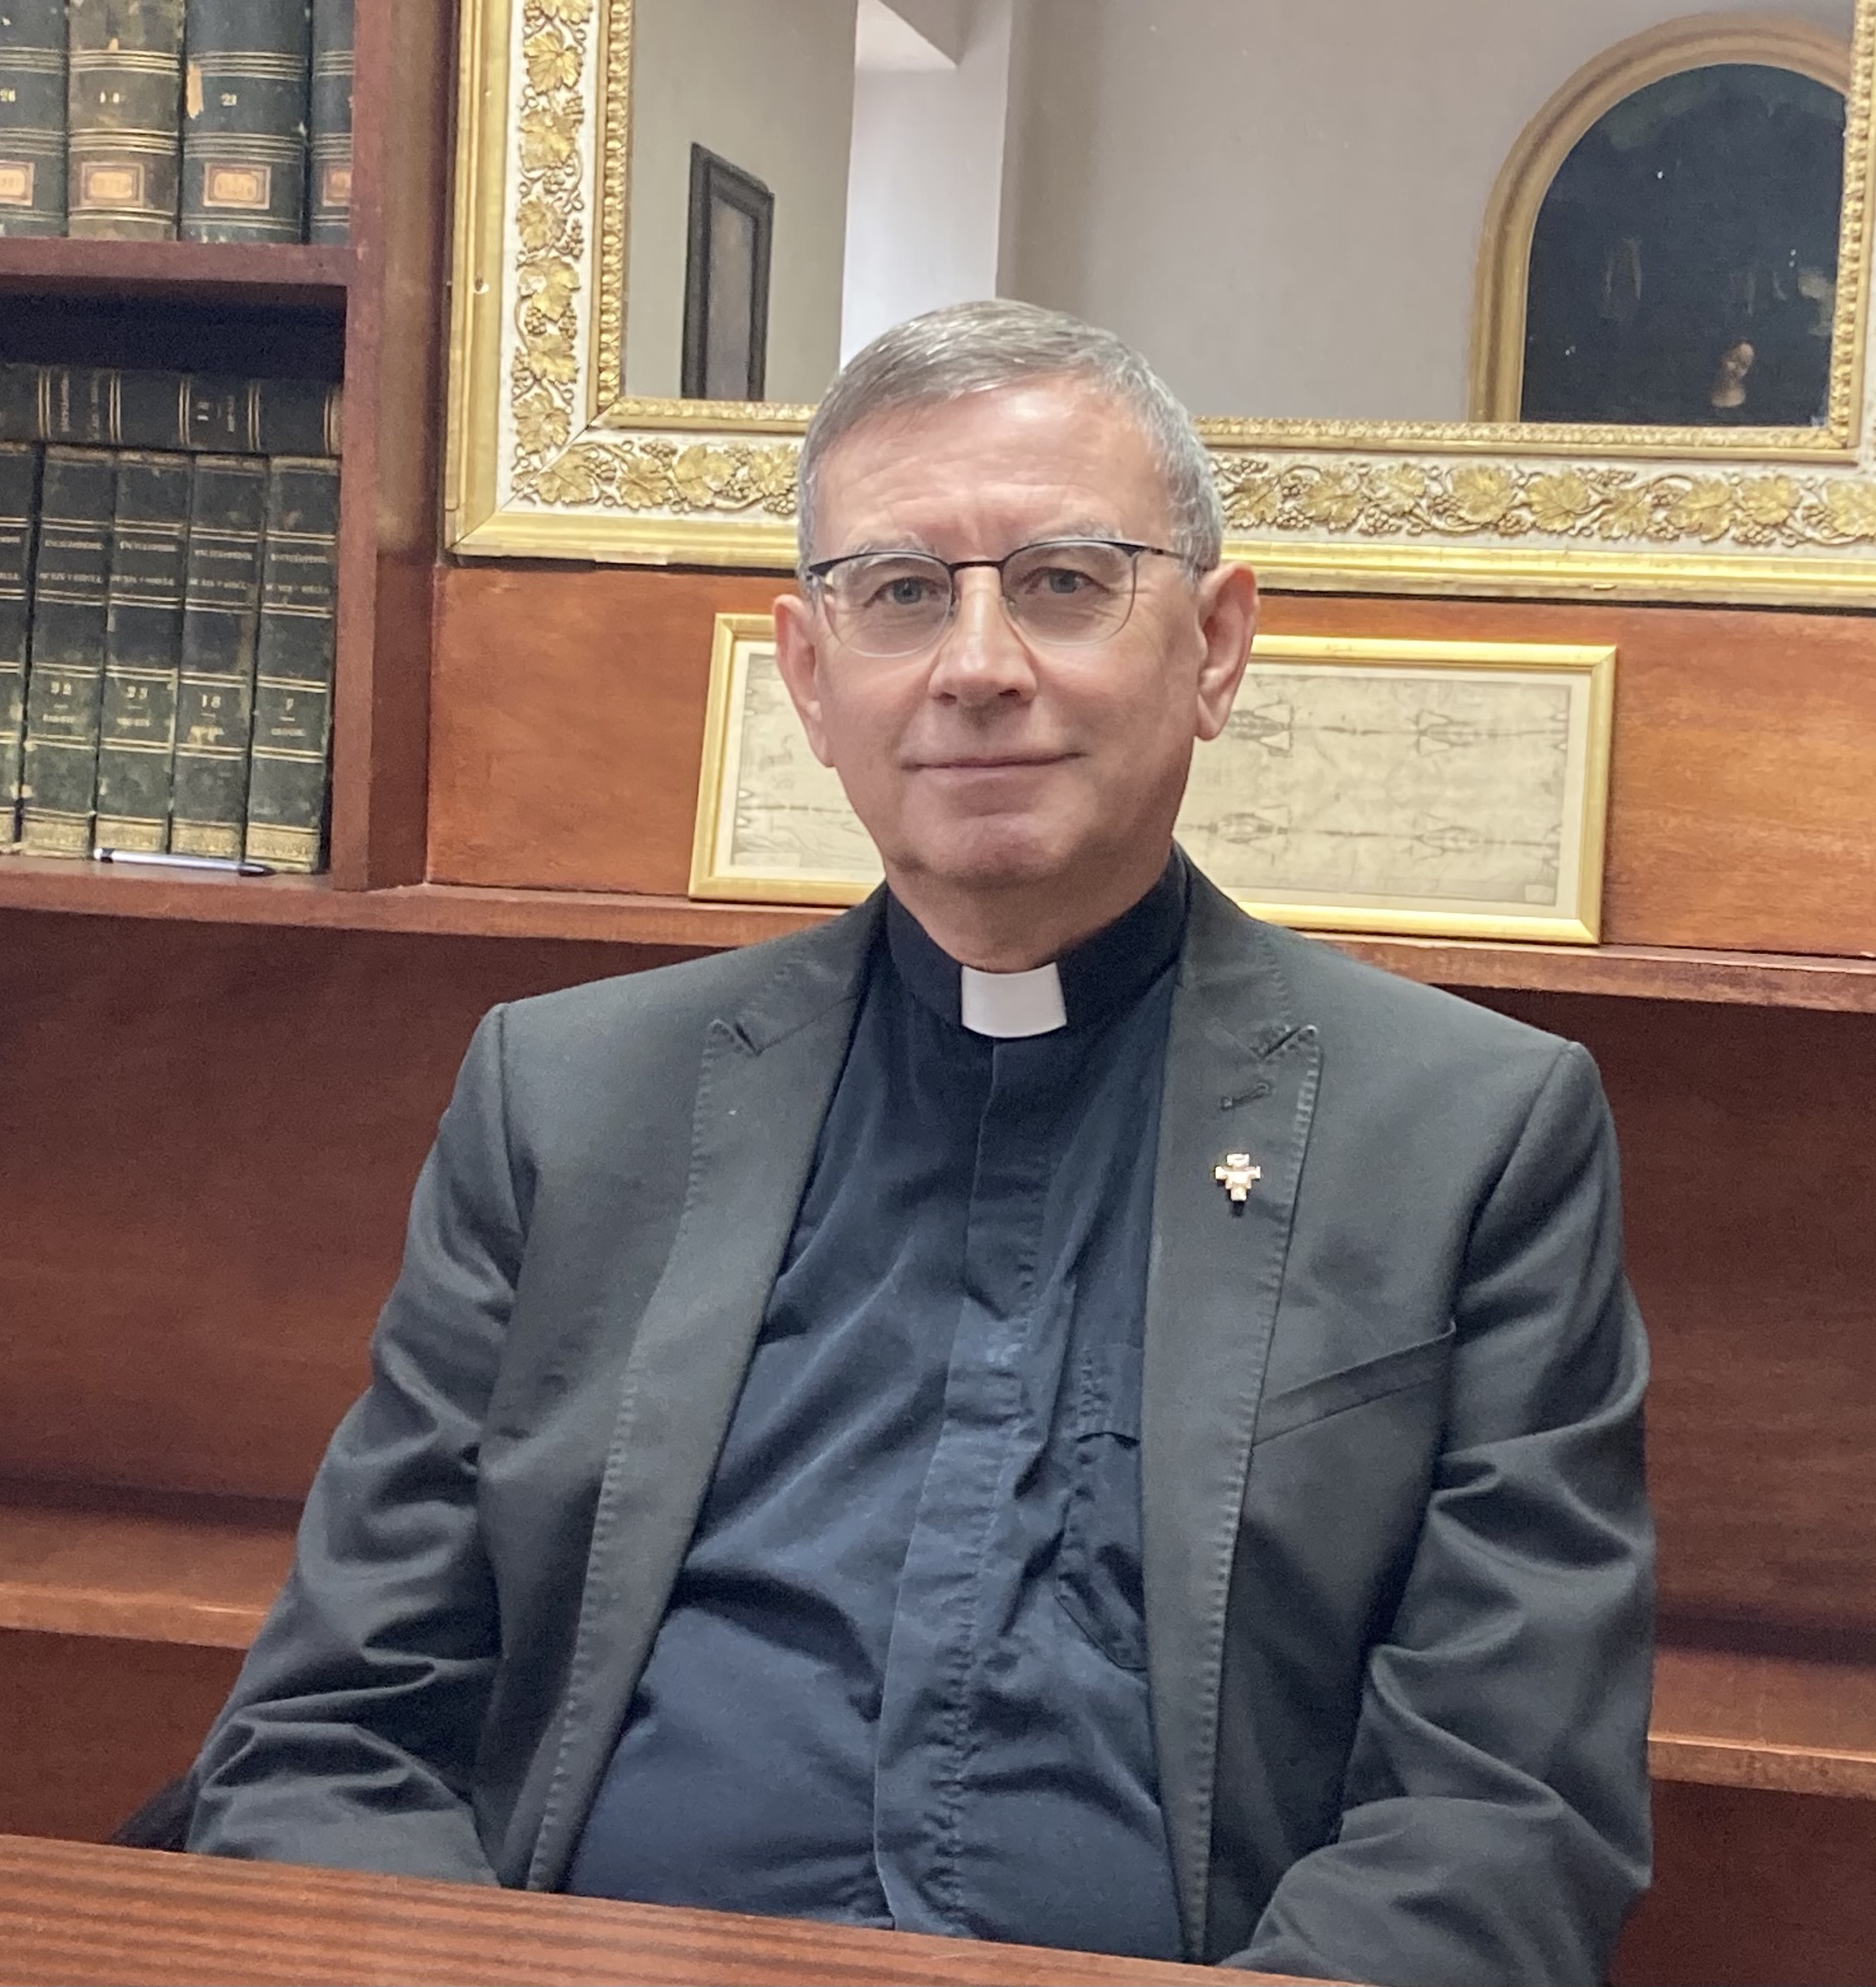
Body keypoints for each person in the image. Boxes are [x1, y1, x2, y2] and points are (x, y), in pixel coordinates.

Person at [186, 301, 1654, 1987]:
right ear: (811, 679)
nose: (975, 666)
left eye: (1062, 581)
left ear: (1218, 646)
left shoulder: (1468, 1135)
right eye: (898, 595)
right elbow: (334, 1724)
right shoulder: (569, 1097)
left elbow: (1500, 1814)